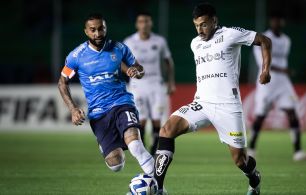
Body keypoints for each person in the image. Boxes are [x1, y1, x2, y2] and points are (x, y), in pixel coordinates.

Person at [153, 3, 272, 195]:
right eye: (197, 25)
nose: (200, 30)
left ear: (214, 21)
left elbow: (265, 40)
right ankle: (157, 188)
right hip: (202, 103)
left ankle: (254, 178)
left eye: (204, 24)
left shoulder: (231, 34)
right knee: (166, 130)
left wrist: (265, 70)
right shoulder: (195, 43)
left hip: (228, 106)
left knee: (240, 160)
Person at [58, 14, 155, 178]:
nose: (97, 33)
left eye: (101, 28)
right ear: (86, 32)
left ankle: (159, 187)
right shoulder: (76, 56)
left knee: (136, 145)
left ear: (105, 28)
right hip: (98, 113)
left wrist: (136, 72)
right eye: (93, 30)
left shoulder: (119, 48)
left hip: (122, 103)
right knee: (115, 164)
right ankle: (109, 147)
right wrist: (73, 109)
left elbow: (140, 69)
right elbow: (62, 82)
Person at [248, 12, 306, 161]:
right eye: (274, 20)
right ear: (271, 22)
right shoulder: (263, 38)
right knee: (260, 116)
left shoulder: (286, 40)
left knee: (292, 112)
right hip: (267, 81)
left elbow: (282, 60)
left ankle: (298, 151)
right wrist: (282, 70)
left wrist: (284, 71)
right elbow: (261, 62)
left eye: (279, 20)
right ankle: (251, 148)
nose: (277, 22)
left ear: (283, 22)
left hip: (283, 82)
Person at [124, 12, 176, 155]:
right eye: (141, 21)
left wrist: (171, 82)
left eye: (147, 21)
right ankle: (142, 146)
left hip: (156, 84)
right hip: (137, 85)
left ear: (151, 23)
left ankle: (154, 147)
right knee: (141, 119)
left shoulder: (159, 41)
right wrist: (128, 71)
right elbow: (121, 61)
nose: (144, 24)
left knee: (157, 119)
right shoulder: (129, 41)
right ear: (137, 24)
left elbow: (168, 62)